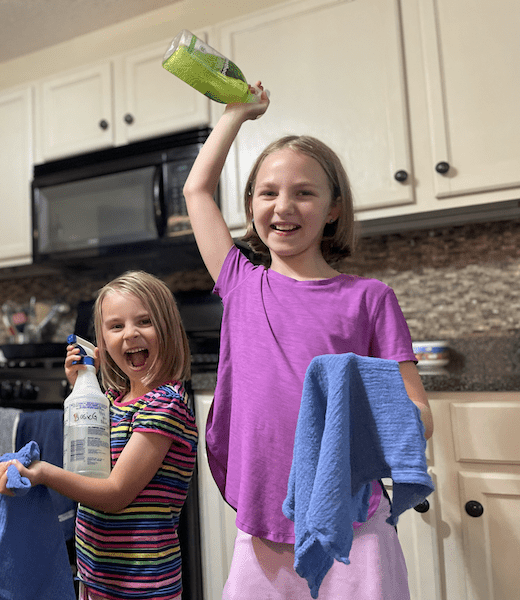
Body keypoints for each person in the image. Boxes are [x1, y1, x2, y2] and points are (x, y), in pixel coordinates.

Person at [182, 83, 434, 599]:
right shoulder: (240, 282)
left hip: (353, 522)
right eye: (268, 192)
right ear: (251, 203)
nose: (284, 205)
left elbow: (419, 415)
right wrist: (236, 115)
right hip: (263, 518)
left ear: (333, 209)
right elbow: (197, 191)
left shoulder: (369, 299)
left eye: (304, 192)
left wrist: (360, 413)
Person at [0, 271, 198, 600]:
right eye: (116, 326)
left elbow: (116, 493)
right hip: (95, 574)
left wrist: (43, 472)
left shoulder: (165, 405)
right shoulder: (114, 401)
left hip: (142, 584)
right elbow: (90, 455)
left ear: (168, 329)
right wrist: (83, 383)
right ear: (101, 343)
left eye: (144, 321)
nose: (130, 334)